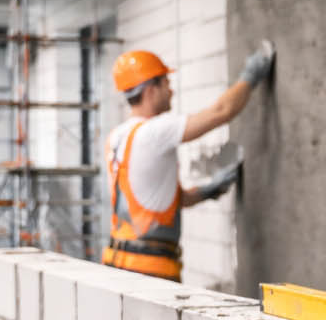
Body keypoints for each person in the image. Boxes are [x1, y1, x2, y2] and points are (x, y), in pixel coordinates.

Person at [101, 43, 274, 281]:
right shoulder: (154, 132)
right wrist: (251, 76)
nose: (171, 91)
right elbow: (220, 112)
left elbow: (161, 201)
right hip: (150, 271)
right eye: (166, 84)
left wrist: (208, 190)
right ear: (150, 89)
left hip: (119, 264)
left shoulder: (117, 138)